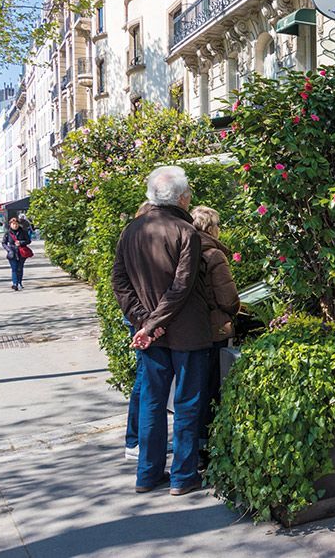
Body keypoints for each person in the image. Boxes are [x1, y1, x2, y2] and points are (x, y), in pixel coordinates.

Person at [111, 166, 212, 496]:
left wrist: (144, 322)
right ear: (182, 197)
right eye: (189, 192)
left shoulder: (131, 230)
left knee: (152, 403)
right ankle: (183, 476)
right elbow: (182, 287)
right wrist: (151, 323)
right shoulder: (187, 231)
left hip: (152, 335)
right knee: (186, 403)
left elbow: (120, 283)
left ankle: (147, 474)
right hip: (187, 332)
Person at [189, 206, 240, 459]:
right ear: (211, 228)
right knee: (213, 389)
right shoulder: (214, 255)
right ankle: (208, 447)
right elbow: (228, 298)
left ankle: (194, 447)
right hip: (215, 329)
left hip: (191, 329)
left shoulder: (186, 249)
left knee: (194, 390)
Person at [123, 203, 154, 462]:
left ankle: (136, 440)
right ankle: (135, 440)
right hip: (142, 320)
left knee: (145, 378)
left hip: (138, 318)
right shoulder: (139, 245)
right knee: (144, 379)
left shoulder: (131, 241)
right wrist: (147, 321)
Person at [2, 217, 31, 291]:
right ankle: (15, 284)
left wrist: (21, 242)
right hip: (12, 253)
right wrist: (9, 250)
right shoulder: (8, 233)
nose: (15, 225)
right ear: (10, 225)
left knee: (20, 268)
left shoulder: (23, 231)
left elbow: (28, 240)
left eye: (16, 224)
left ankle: (20, 283)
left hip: (21, 252)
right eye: (13, 224)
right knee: (14, 269)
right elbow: (3, 243)